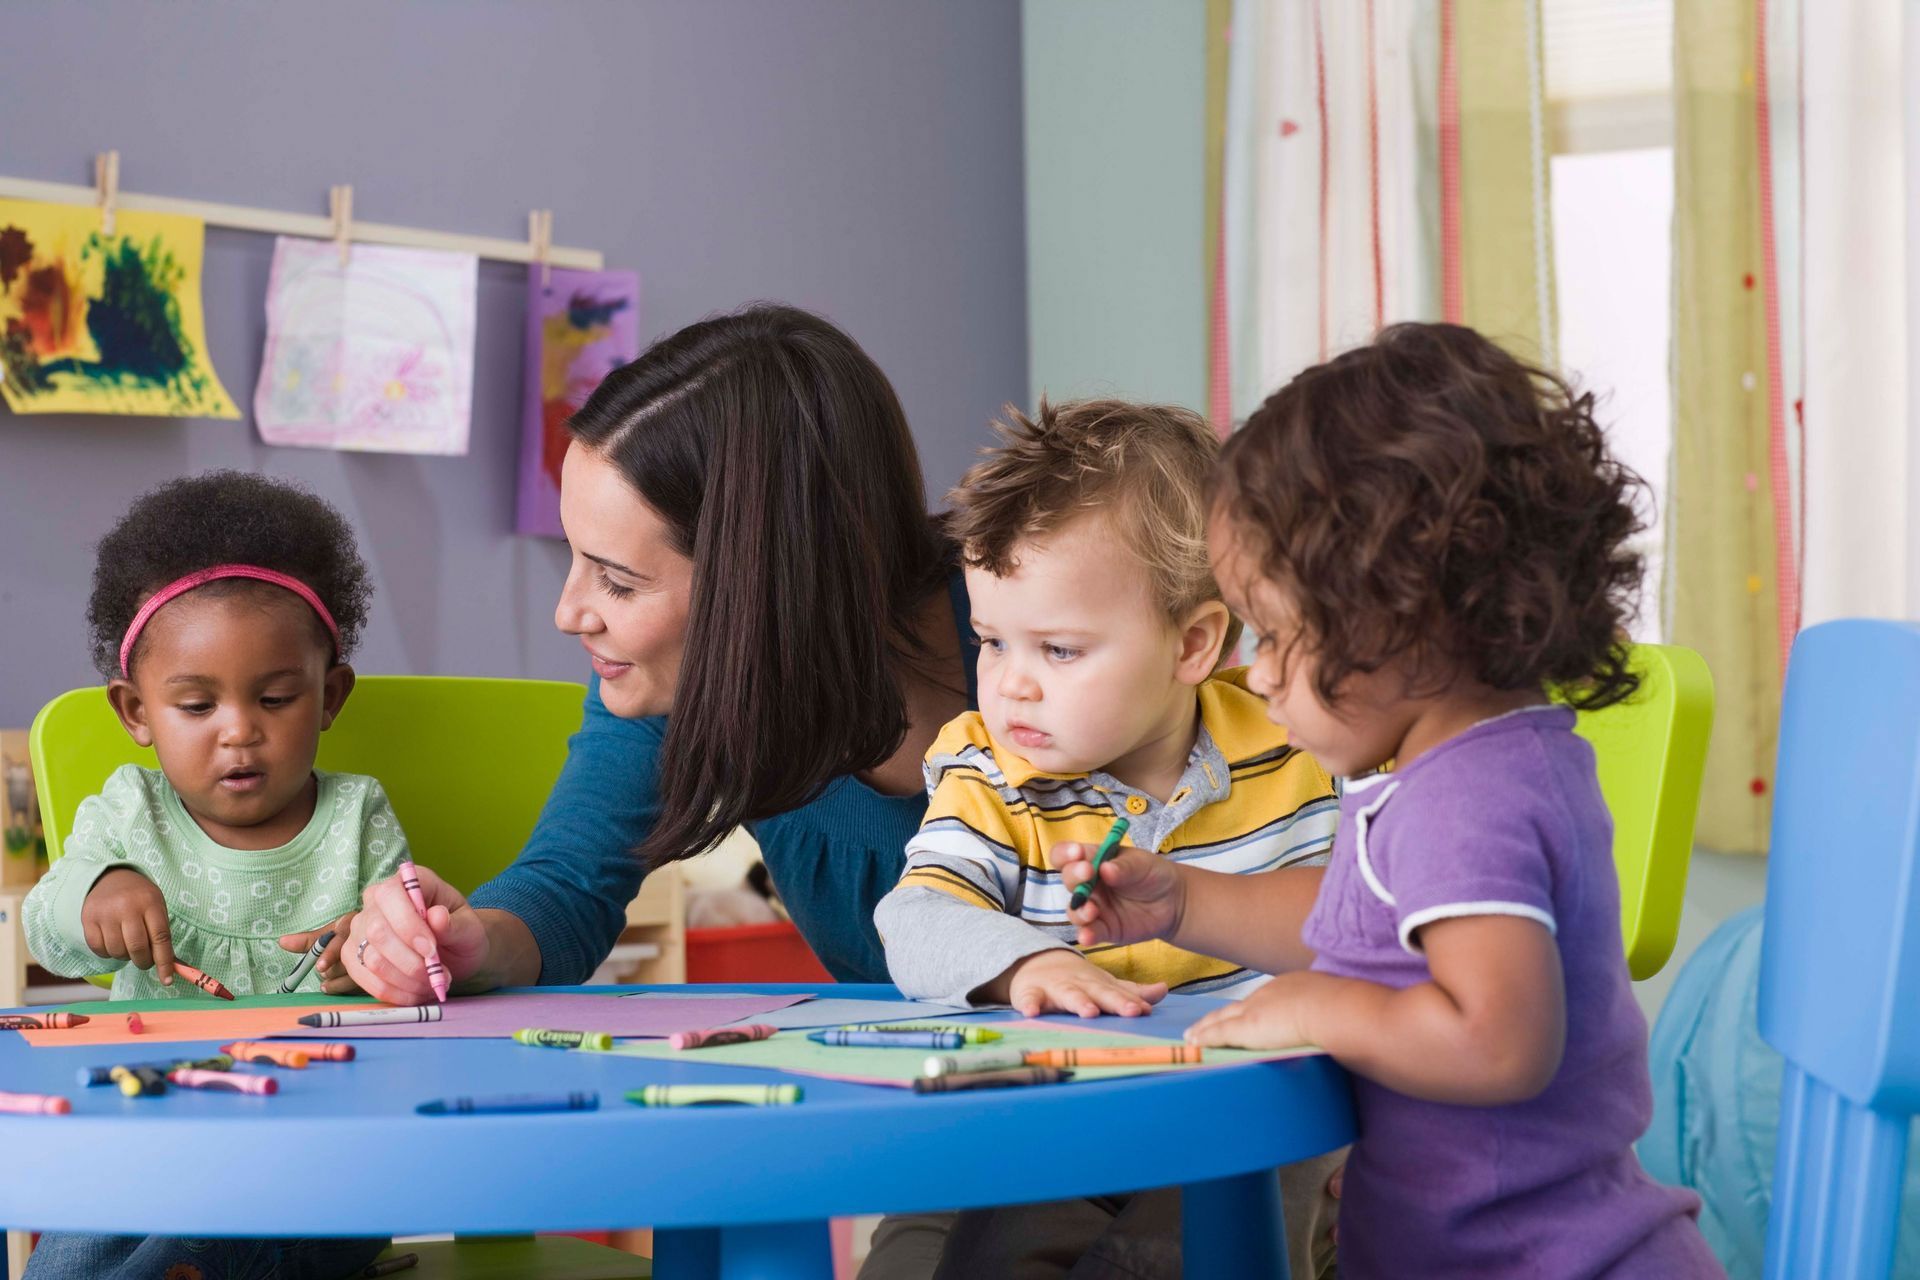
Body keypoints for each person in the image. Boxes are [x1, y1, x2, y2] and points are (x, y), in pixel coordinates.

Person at [1063, 324, 1724, 1277]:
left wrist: (1318, 1007)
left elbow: (1497, 1043)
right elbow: (1366, 927)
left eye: (1280, 636)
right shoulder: (1467, 769)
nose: (1257, 674)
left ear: (1404, 615)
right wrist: (1187, 901)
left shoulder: (1471, 800)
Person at [329, 304, 975, 1000]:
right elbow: (567, 886)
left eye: (617, 580)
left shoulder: (1041, 646)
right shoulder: (679, 678)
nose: (569, 612)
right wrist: (467, 945)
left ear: (765, 585)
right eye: (575, 558)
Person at [869, 397, 1342, 1278]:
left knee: (1188, 1239)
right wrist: (1026, 965)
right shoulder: (988, 768)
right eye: (991, 642)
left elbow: (1375, 928)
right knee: (915, 1257)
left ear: (1194, 643)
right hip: (1033, 1122)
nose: (1011, 687)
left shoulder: (1300, 740)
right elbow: (917, 917)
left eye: (1058, 650)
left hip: (1239, 1123)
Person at [23, 471, 392, 1280]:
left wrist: (370, 953)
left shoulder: (358, 815)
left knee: (309, 1224)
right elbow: (43, 928)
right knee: (78, 1248)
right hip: (151, 1130)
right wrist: (95, 893)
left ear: (330, 697)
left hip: (316, 1141)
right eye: (197, 707)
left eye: (276, 697)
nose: (240, 733)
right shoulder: (129, 811)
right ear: (135, 713)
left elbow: (408, 950)